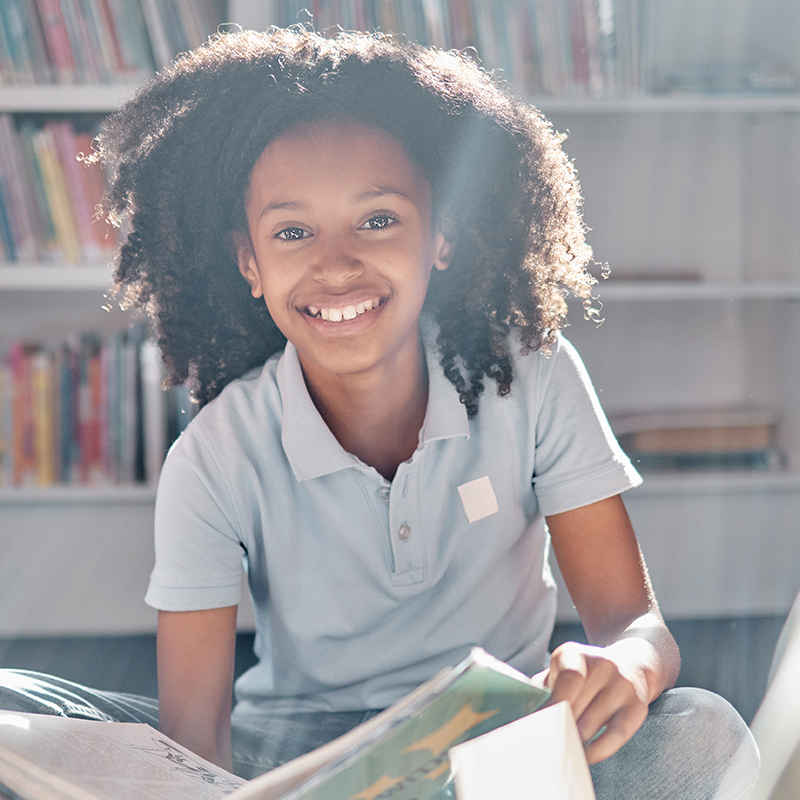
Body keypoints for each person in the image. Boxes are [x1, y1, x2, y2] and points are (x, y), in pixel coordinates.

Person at [0, 27, 758, 798]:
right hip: (292, 751)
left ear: (443, 238)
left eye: (379, 219)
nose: (335, 263)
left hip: (491, 745)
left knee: (702, 730)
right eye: (293, 232)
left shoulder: (533, 377)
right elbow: (198, 740)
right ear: (249, 264)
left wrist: (621, 668)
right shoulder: (216, 454)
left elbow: (636, 624)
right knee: (10, 707)